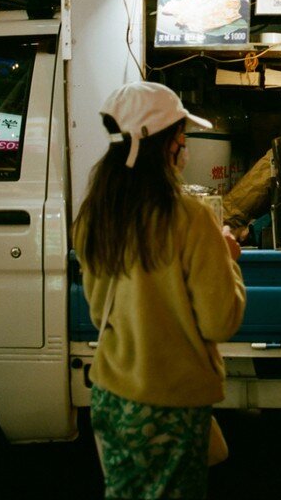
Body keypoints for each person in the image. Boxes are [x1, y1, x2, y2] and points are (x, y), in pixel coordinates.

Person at [74, 81, 247, 499]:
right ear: (163, 145)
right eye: (180, 137)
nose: (184, 147)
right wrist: (228, 258)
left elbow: (101, 315)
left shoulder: (95, 214)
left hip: (111, 396)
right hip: (170, 405)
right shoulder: (191, 218)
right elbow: (221, 320)